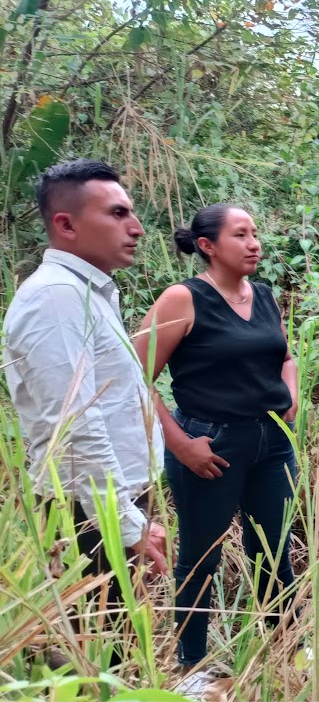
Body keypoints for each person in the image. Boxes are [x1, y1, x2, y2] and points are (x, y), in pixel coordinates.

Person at [3, 159, 168, 665]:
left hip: (109, 501)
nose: (136, 228)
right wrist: (126, 523)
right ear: (66, 224)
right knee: (97, 657)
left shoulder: (87, 293)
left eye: (131, 213)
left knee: (117, 645)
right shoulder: (56, 298)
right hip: (89, 510)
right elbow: (72, 424)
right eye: (117, 213)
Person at [133, 204, 299, 695]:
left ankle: (287, 646)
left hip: (272, 442)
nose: (254, 243)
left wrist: (290, 396)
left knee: (273, 549)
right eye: (240, 234)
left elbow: (285, 356)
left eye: (255, 233)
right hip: (211, 443)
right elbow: (135, 378)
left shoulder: (262, 295)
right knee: (200, 555)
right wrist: (180, 443)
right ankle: (191, 666)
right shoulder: (182, 298)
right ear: (207, 245)